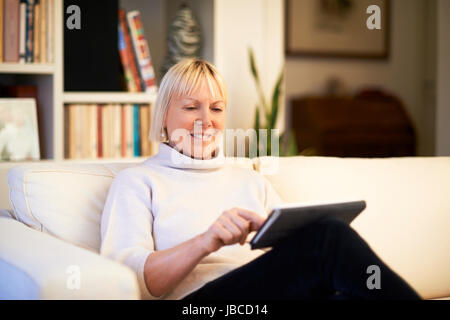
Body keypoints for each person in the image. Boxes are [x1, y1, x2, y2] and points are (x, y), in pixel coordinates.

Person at [100, 59, 421, 300]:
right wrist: (206, 241)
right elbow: (131, 282)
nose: (206, 120)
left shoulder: (250, 181)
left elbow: (289, 263)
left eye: (216, 108)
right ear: (164, 117)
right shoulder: (138, 181)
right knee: (329, 237)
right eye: (190, 107)